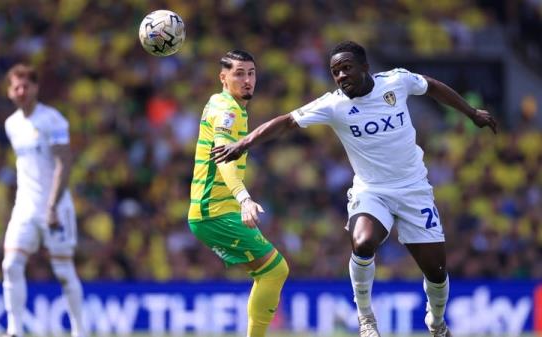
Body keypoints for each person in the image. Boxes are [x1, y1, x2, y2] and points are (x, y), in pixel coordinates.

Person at [211, 41, 497, 337]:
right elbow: (286, 122)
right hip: (372, 191)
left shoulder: (396, 81)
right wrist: (243, 144)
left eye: (347, 68)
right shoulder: (334, 104)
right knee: (362, 242)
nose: (341, 76)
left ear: (364, 67)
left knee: (436, 272)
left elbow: (432, 86)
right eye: (335, 72)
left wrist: (471, 112)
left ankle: (436, 323)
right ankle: (366, 319)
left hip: (414, 190)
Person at [188, 50, 289, 337]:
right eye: (239, 74)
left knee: (268, 271)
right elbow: (223, 157)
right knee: (275, 270)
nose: (247, 80)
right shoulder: (228, 111)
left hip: (215, 209)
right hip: (213, 212)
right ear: (223, 78)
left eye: (251, 73)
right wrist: (244, 198)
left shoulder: (220, 102)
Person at [2, 64, 86, 337]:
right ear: (9, 92)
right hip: (24, 207)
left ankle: (79, 331)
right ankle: (14, 331)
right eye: (16, 86)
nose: (22, 91)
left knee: (63, 271)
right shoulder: (11, 125)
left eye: (27, 86)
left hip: (56, 207)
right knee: (10, 265)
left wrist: (52, 205)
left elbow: (65, 163)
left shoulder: (52, 120)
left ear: (36, 88)